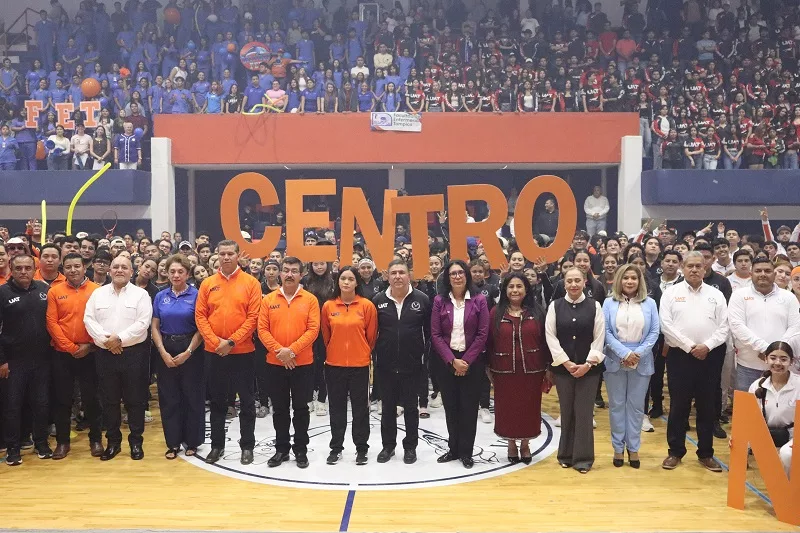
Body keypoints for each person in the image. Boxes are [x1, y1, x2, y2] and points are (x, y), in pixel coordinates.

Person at [660, 251, 729, 472]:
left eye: (699, 266)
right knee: (678, 406)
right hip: (680, 356)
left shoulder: (716, 295)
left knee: (707, 406)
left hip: (709, 356)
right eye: (690, 265)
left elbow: (724, 327)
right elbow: (666, 325)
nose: (694, 270)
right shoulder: (671, 293)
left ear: (705, 268)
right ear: (682, 267)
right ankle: (675, 451)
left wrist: (706, 346)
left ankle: (706, 453)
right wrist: (690, 346)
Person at [195, 240, 262, 465]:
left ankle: (247, 446)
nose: (226, 257)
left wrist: (231, 341)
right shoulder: (207, 283)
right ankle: (217, 446)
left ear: (238, 256)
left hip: (243, 352)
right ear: (217, 255)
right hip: (214, 352)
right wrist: (217, 343)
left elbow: (253, 317)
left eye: (230, 253)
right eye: (222, 253)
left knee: (247, 402)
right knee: (217, 402)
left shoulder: (251, 283)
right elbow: (200, 316)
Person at [83, 255, 152, 461]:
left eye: (124, 267)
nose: (119, 270)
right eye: (116, 267)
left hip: (134, 355)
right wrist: (107, 342)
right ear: (110, 270)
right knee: (109, 400)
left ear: (131, 272)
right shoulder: (98, 294)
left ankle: (136, 442)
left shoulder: (141, 295)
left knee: (135, 401)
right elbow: (89, 320)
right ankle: (113, 443)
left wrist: (119, 339)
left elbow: (143, 323)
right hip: (105, 354)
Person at [258, 256, 320, 469]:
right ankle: (281, 449)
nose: (289, 274)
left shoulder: (310, 300)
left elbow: (313, 330)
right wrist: (281, 353)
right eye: (286, 270)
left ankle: (301, 450)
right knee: (280, 409)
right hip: (275, 363)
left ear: (301, 274)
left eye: (294, 271)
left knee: (301, 409)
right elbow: (262, 330)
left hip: (303, 364)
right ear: (280, 273)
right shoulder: (268, 300)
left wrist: (292, 351)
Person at [545, 266, 606, 473]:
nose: (573, 284)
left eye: (577, 280)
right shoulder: (555, 306)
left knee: (584, 413)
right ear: (564, 283)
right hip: (564, 370)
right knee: (567, 411)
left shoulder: (594, 306)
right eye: (569, 281)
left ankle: (583, 459)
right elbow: (550, 337)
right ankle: (565, 455)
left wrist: (588, 364)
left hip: (589, 370)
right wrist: (565, 362)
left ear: (584, 282)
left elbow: (599, 337)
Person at [431, 260, 490, 468]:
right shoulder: (439, 301)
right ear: (448, 278)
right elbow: (436, 335)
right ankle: (453, 449)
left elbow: (482, 334)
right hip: (447, 361)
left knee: (469, 408)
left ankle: (466, 452)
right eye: (453, 273)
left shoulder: (479, 300)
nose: (457, 276)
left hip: (472, 362)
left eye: (460, 273)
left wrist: (466, 361)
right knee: (451, 407)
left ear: (467, 275)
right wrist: (452, 360)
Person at [372, 259, 431, 465]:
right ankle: (388, 446)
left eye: (401, 272)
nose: (398, 276)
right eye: (394, 273)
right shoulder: (378, 300)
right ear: (387, 276)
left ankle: (410, 447)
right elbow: (373, 332)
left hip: (412, 364)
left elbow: (429, 333)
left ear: (409, 275)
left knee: (411, 408)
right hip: (385, 364)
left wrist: (422, 356)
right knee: (387, 408)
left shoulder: (422, 299)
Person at [487, 272, 549, 464]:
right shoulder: (495, 313)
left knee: (529, 409)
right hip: (503, 371)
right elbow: (489, 342)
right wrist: (488, 367)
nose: (515, 290)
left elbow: (546, 341)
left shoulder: (538, 312)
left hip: (532, 370)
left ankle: (525, 444)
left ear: (526, 289)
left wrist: (549, 367)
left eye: (519, 286)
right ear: (505, 290)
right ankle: (511, 443)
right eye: (511, 286)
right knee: (507, 409)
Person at [602, 264, 660, 468]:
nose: (629, 281)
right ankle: (618, 448)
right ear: (619, 280)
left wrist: (637, 353)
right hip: (615, 359)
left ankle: (633, 448)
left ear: (639, 281)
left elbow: (654, 331)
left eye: (633, 278)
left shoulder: (650, 303)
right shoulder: (608, 303)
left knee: (636, 408)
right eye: (625, 277)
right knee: (617, 406)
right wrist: (624, 353)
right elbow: (605, 331)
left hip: (641, 360)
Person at [45, 252, 102, 459]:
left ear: (84, 267)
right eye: (68, 267)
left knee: (92, 399)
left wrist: (90, 345)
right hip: (62, 354)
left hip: (90, 352)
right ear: (63, 269)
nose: (73, 270)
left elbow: (102, 321)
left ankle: (96, 440)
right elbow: (52, 322)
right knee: (62, 399)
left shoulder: (97, 291)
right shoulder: (55, 291)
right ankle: (62, 442)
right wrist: (70, 347)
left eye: (77, 266)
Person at [320, 266, 377, 465]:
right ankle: (336, 448)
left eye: (350, 279)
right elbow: (326, 336)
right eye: (343, 278)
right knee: (337, 409)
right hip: (334, 365)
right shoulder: (328, 306)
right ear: (337, 281)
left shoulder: (367, 306)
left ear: (356, 282)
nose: (346, 282)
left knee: (361, 410)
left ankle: (361, 448)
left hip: (359, 366)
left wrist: (361, 352)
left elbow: (371, 337)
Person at [0, 254, 52, 465]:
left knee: (41, 404)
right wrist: (2, 360)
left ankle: (41, 443)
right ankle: (13, 449)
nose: (23, 272)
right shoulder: (2, 293)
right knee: (13, 406)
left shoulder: (44, 290)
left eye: (27, 268)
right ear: (11, 270)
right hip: (14, 361)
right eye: (19, 268)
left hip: (42, 360)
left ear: (34, 269)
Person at [151, 254, 204, 459]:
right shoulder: (160, 296)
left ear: (188, 274)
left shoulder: (196, 295)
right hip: (166, 347)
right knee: (169, 397)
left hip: (191, 348)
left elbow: (201, 328)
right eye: (172, 271)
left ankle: (193, 441)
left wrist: (188, 352)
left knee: (192, 396)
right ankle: (173, 442)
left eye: (180, 271)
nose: (176, 275)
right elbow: (155, 326)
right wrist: (162, 351)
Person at [728, 257, 800, 394]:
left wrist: (776, 351)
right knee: (747, 406)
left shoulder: (788, 297)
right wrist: (765, 349)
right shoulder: (739, 295)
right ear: (751, 273)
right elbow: (737, 326)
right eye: (758, 271)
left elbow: (795, 327)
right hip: (748, 366)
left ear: (774, 273)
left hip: (781, 366)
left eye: (767, 271)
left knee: (780, 406)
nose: (762, 274)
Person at [747, 341, 799, 477]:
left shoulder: (798, 385)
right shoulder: (756, 386)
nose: (778, 363)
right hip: (767, 435)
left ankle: (789, 487)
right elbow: (749, 418)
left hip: (795, 436)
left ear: (791, 362)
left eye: (783, 359)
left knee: (787, 454)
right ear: (765, 359)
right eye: (773, 358)